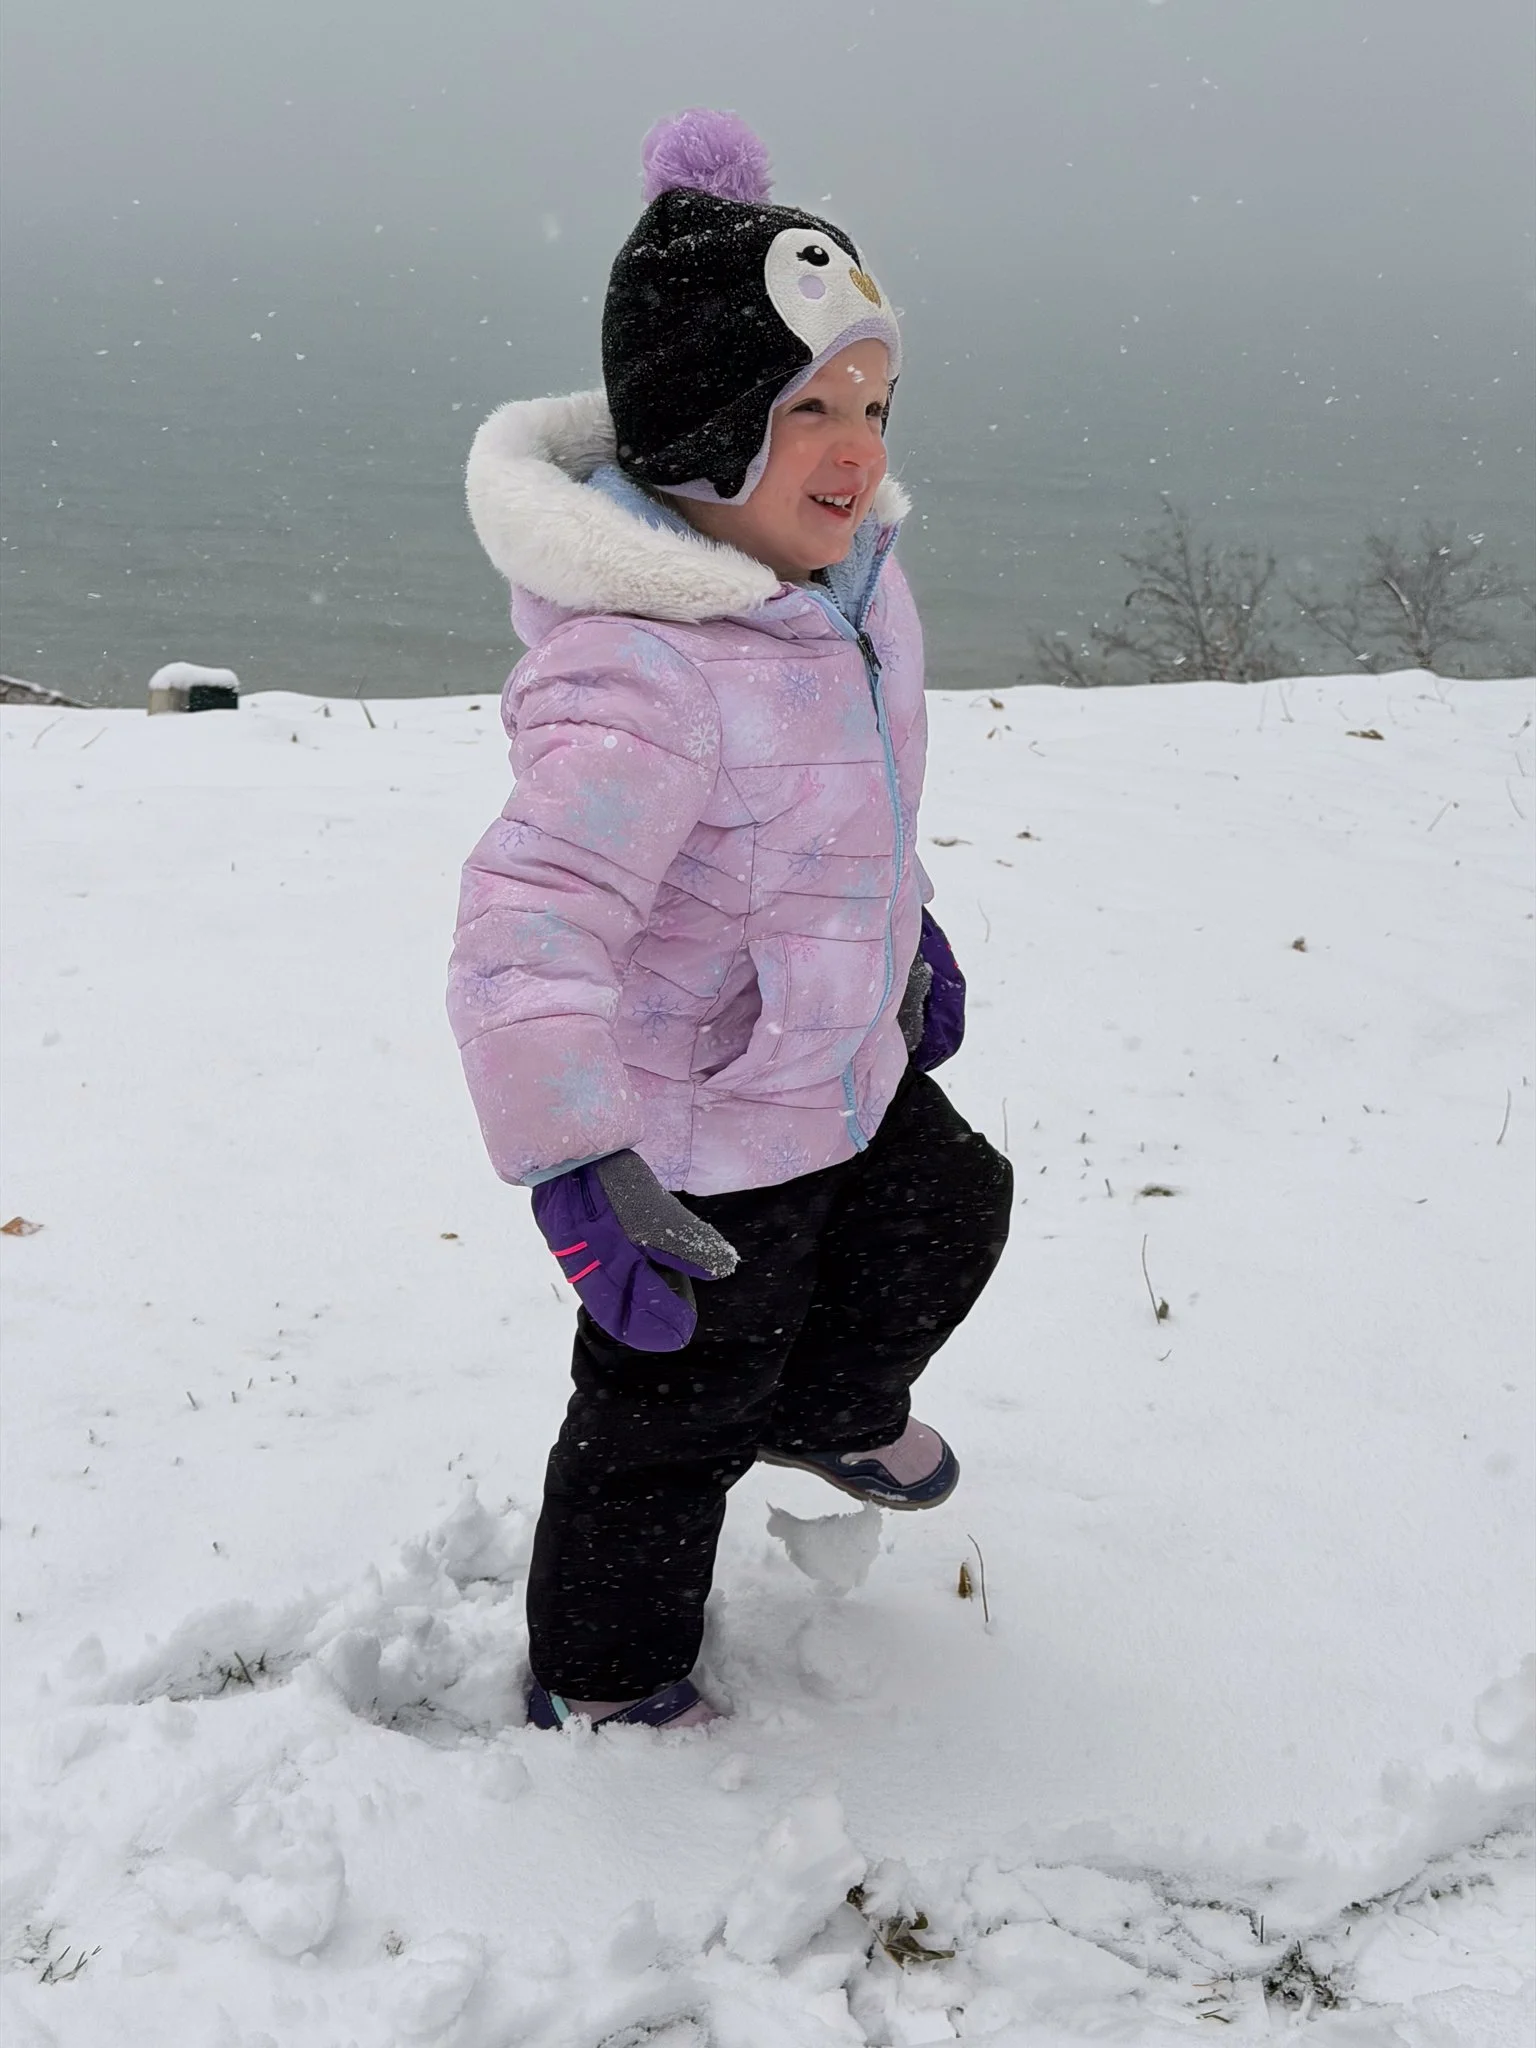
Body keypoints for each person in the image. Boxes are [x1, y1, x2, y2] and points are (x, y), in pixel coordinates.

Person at [449, 110, 1013, 1732]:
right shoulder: (639, 674)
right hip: (691, 1137)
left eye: (874, 402)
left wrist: (910, 932)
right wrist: (576, 1155)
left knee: (952, 1205)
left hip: (840, 1063)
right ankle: (608, 1678)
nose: (858, 446)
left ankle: (830, 1405)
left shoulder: (846, 596)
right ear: (700, 434)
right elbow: (528, 923)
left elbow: (847, 815)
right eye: (807, 408)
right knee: (668, 1419)